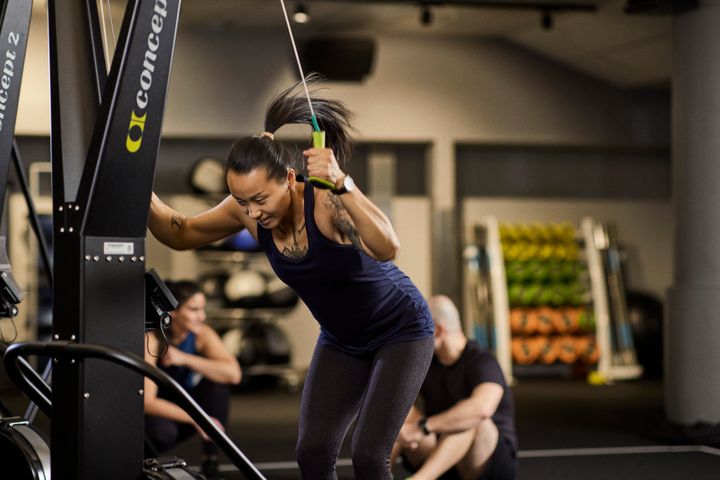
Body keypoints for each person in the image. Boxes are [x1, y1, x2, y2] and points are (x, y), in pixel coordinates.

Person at [147, 77, 435, 479]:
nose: (253, 212)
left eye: (260, 199)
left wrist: (342, 181)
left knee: (370, 455)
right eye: (243, 202)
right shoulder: (245, 210)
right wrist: (135, 178)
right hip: (342, 340)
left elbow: (388, 247)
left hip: (401, 329)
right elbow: (178, 233)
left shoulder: (325, 202)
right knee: (313, 453)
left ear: (288, 179)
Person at [391, 295, 517, 480]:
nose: (413, 336)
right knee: (401, 412)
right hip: (445, 455)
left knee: (472, 419)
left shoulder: (483, 361)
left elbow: (482, 410)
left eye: (417, 328)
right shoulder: (428, 362)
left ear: (438, 331)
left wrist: (424, 427)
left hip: (489, 461)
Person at [144, 280, 242, 480]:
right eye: (194, 309)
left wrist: (184, 358)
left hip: (185, 405)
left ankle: (211, 459)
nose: (202, 316)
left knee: (217, 387)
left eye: (203, 309)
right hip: (156, 414)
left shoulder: (200, 334)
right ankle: (142, 463)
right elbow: (147, 402)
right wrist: (199, 419)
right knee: (164, 432)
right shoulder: (153, 339)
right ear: (173, 312)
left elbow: (233, 374)